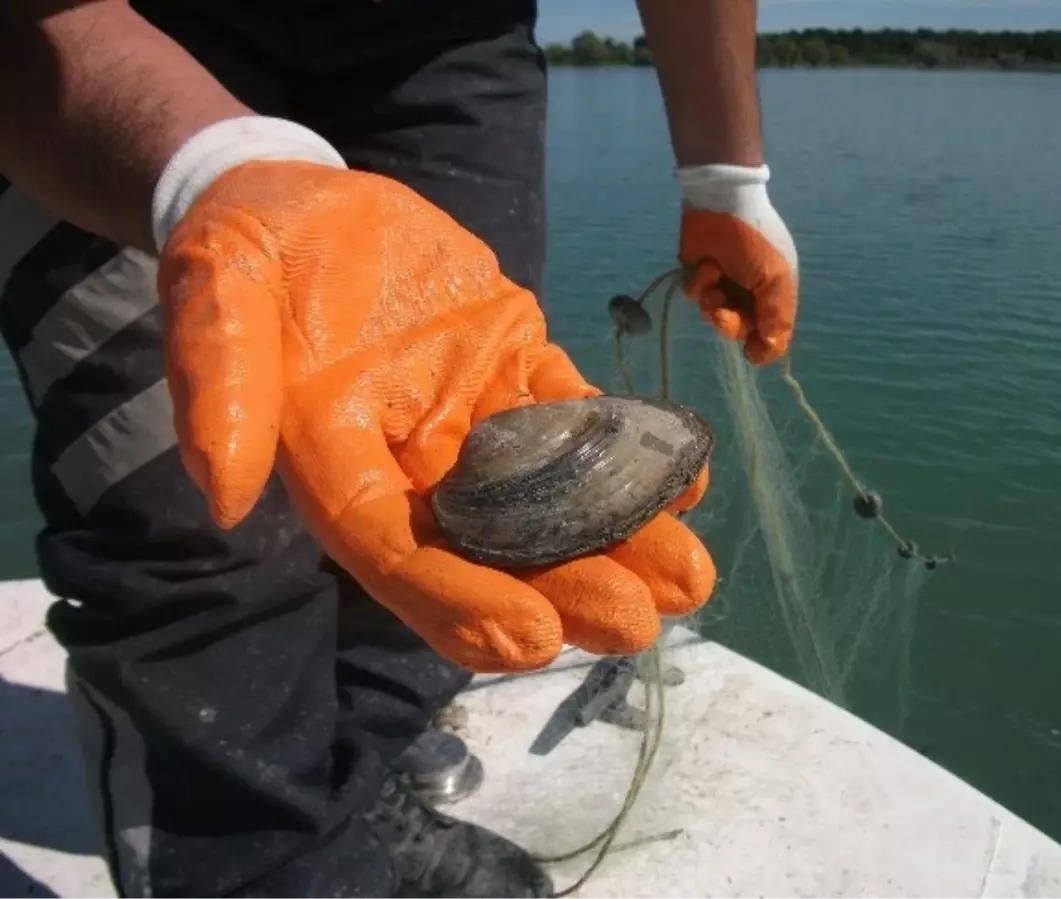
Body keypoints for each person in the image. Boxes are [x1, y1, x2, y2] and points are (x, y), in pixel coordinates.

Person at [0, 1, 800, 896]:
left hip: (450, 36)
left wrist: (725, 175)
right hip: (95, 28)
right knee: (193, 526)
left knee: (432, 471)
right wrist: (214, 171)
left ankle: (363, 776)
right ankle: (255, 860)